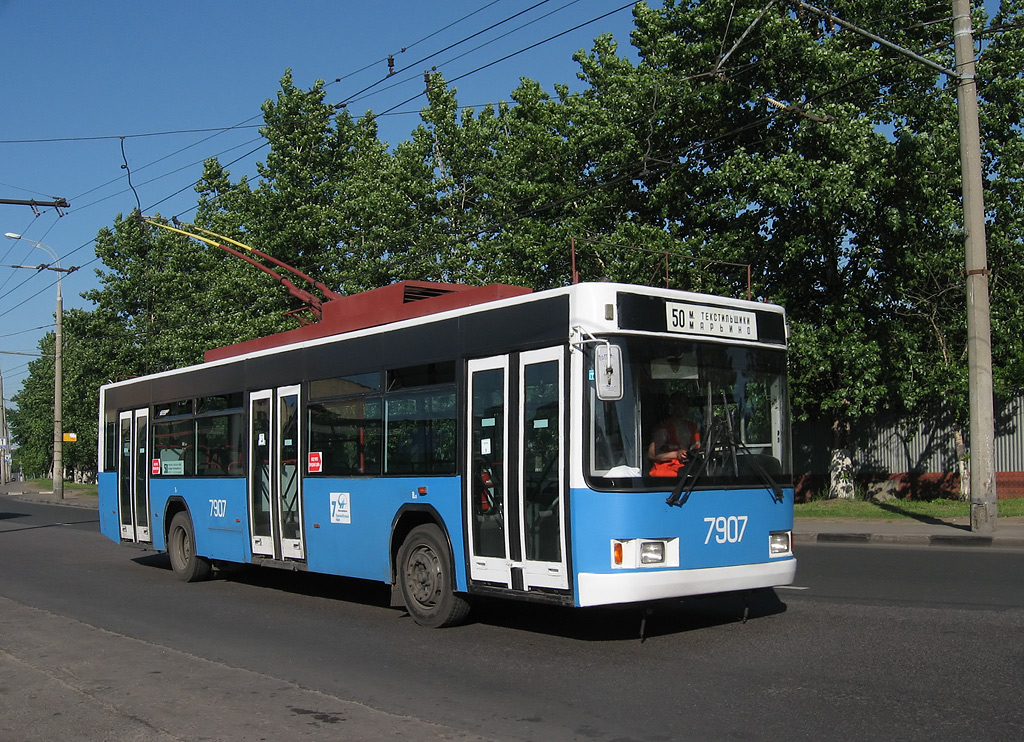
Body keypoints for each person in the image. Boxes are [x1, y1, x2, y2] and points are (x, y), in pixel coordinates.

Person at [648, 393, 699, 477]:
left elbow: (697, 451)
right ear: (672, 406)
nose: (683, 407)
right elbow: (652, 454)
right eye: (680, 403)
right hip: (666, 474)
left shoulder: (693, 428)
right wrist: (676, 454)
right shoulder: (664, 429)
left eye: (685, 403)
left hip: (688, 469)